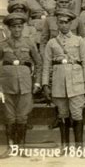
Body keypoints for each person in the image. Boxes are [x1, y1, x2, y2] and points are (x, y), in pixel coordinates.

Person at [42, 8, 85, 156]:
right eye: (60, 22)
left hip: (76, 82)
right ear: (57, 23)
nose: (63, 25)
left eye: (66, 22)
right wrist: (45, 84)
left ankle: (79, 147)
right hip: (58, 83)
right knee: (62, 114)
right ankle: (65, 146)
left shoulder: (79, 41)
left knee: (77, 114)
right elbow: (46, 64)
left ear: (71, 24)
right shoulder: (51, 43)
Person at [0, 13, 42, 159]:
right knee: (10, 118)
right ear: (9, 28)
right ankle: (11, 148)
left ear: (23, 27)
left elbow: (39, 63)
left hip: (25, 85)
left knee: (22, 117)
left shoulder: (29, 43)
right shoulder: (3, 44)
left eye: (20, 26)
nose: (17, 30)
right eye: (14, 27)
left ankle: (21, 147)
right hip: (6, 85)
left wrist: (37, 81)